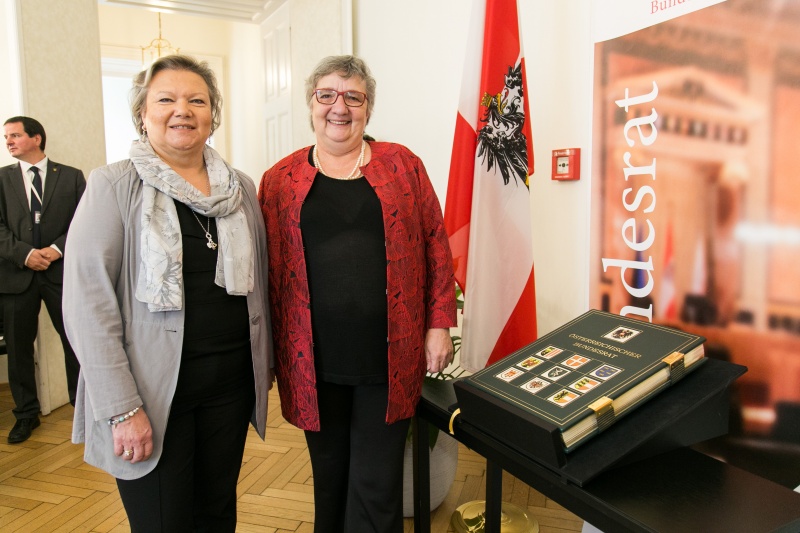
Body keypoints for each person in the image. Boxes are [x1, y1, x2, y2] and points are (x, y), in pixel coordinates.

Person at [62, 54, 273, 533]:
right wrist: (122, 408)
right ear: (142, 114)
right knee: (164, 522)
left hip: (230, 387)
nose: (183, 109)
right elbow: (87, 306)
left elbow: (260, 288)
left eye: (197, 100)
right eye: (166, 99)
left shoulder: (239, 189)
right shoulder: (112, 185)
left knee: (217, 513)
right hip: (152, 396)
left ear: (212, 115)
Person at [258, 55, 457, 532]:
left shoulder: (402, 165)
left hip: (388, 357)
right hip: (312, 360)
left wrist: (438, 323)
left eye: (353, 96)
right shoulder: (279, 180)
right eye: (326, 95)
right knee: (329, 478)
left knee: (377, 481)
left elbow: (435, 243)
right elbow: (264, 273)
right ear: (311, 105)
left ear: (368, 107)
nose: (339, 107)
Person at [0, 116, 84, 444]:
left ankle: (83, 406)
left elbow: (83, 220)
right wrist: (25, 254)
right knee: (20, 349)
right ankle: (26, 414)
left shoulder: (71, 177)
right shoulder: (1, 179)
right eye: (6, 137)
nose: (8, 141)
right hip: (15, 276)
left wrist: (54, 250)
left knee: (74, 342)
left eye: (15, 135)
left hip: (61, 274)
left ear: (36, 138)